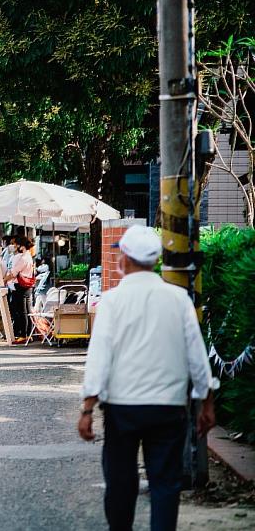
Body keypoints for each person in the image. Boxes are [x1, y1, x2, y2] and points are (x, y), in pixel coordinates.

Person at [78, 225, 215, 531]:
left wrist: (87, 407)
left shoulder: (112, 302)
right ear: (153, 261)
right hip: (168, 407)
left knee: (120, 482)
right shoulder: (179, 299)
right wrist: (206, 401)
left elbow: (99, 357)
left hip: (122, 408)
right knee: (165, 484)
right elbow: (196, 353)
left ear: (124, 259)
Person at [5, 236, 35, 344]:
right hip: (28, 286)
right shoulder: (29, 257)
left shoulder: (23, 258)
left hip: (20, 286)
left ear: (22, 246)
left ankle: (23, 335)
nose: (15, 246)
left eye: (17, 244)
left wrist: (3, 280)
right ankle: (28, 334)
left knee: (22, 312)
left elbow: (13, 272)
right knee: (27, 311)